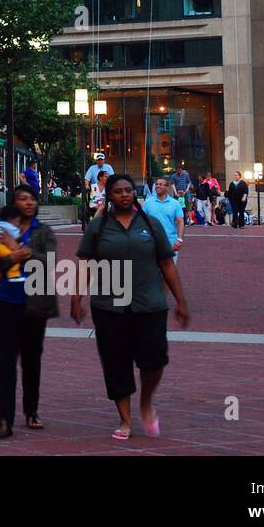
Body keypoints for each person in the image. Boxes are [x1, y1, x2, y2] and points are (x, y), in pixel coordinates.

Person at [72, 173, 190, 441]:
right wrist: (76, 298)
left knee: (154, 359)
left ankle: (146, 401)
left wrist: (181, 301)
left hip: (149, 303)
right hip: (109, 306)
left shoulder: (151, 223)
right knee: (115, 362)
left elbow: (167, 264)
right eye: (118, 191)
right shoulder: (99, 226)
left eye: (128, 190)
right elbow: (85, 262)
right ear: (110, 196)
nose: (124, 195)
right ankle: (125, 419)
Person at [0, 185, 57, 438]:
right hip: (4, 302)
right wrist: (13, 258)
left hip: (35, 305)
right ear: (14, 203)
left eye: (32, 198)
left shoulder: (43, 231)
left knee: (32, 359)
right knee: (7, 360)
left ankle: (31, 410)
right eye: (23, 199)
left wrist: (21, 249)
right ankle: (5, 418)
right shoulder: (0, 229)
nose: (29, 203)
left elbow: (49, 262)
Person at [142, 176, 185, 263]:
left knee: (170, 272)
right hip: (152, 242)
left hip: (170, 242)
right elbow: (142, 221)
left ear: (167, 187)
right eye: (156, 184)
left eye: (161, 184)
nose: (157, 186)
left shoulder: (175, 203)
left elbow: (180, 222)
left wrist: (179, 239)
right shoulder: (147, 203)